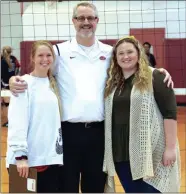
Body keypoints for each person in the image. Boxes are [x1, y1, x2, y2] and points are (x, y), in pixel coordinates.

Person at [9, 2, 174, 193]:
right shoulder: (59, 51)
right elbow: (39, 72)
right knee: (66, 188)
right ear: (73, 21)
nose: (85, 22)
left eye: (90, 18)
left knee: (94, 188)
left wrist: (157, 72)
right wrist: (15, 79)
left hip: (99, 134)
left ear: (97, 21)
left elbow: (133, 66)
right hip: (67, 135)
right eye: (80, 18)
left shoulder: (109, 52)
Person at [103, 36, 181, 193]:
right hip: (121, 154)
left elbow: (170, 113)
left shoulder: (155, 76)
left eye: (130, 52)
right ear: (115, 58)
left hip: (149, 152)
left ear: (139, 54)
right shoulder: (112, 83)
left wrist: (170, 148)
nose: (126, 57)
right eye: (121, 53)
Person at [6, 40, 63, 193]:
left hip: (49, 159)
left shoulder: (54, 84)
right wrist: (20, 156)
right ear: (32, 58)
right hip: (26, 161)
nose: (45, 59)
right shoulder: (23, 83)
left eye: (48, 55)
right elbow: (17, 121)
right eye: (40, 55)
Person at [1, 46, 20, 127]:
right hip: (13, 82)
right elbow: (19, 67)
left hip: (5, 83)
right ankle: (13, 120)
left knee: (7, 103)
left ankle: (10, 121)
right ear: (11, 51)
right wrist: (15, 75)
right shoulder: (14, 58)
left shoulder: (3, 61)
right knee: (12, 102)